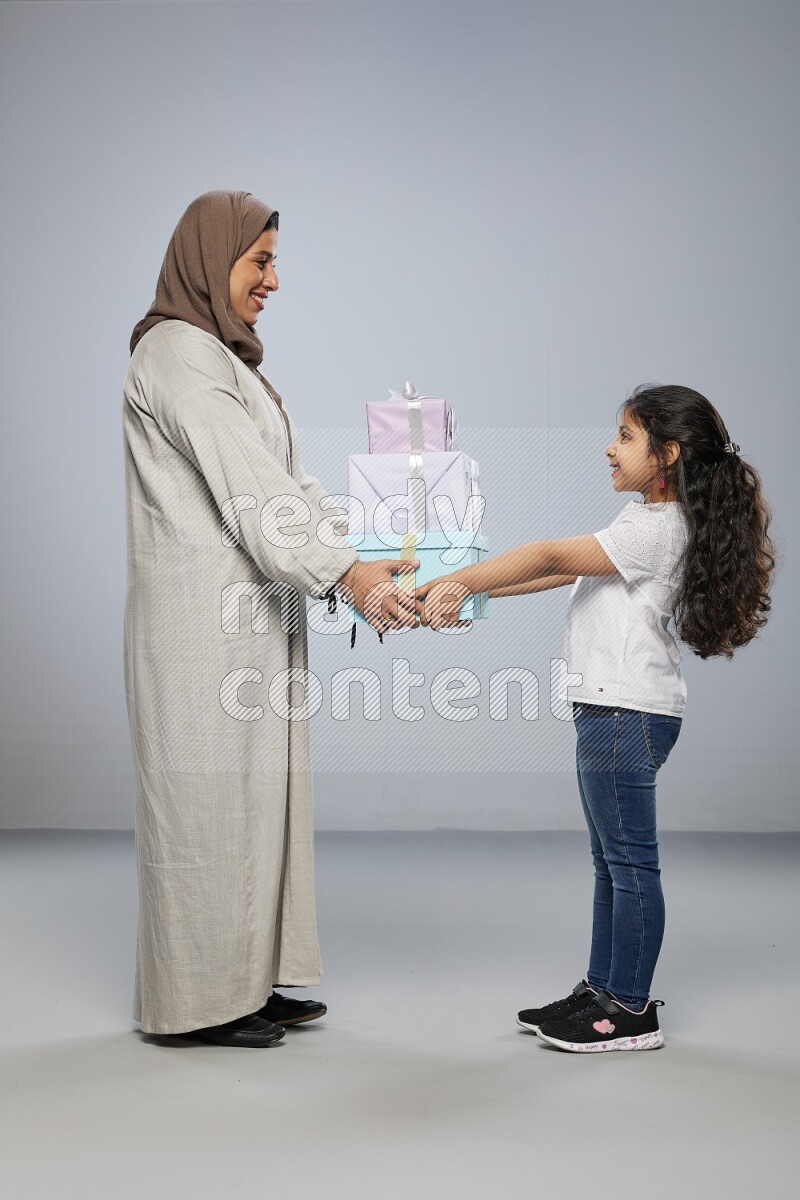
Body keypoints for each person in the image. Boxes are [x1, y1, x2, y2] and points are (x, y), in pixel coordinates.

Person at [123, 190, 415, 1047]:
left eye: (273, 261)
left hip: (246, 624)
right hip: (199, 637)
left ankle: (243, 983)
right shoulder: (178, 357)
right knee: (206, 812)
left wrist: (358, 553)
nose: (273, 280)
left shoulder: (219, 359)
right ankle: (197, 1006)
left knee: (254, 807)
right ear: (211, 261)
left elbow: (282, 487)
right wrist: (349, 575)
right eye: (259, 261)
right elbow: (256, 499)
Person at [416, 385, 775, 1052]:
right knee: (612, 865)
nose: (610, 447)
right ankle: (601, 990)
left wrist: (462, 580)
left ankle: (629, 1011)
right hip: (616, 710)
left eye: (626, 436)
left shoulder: (653, 529)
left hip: (622, 712)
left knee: (630, 866)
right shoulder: (644, 526)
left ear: (666, 455)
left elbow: (551, 554)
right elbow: (558, 577)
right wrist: (463, 594)